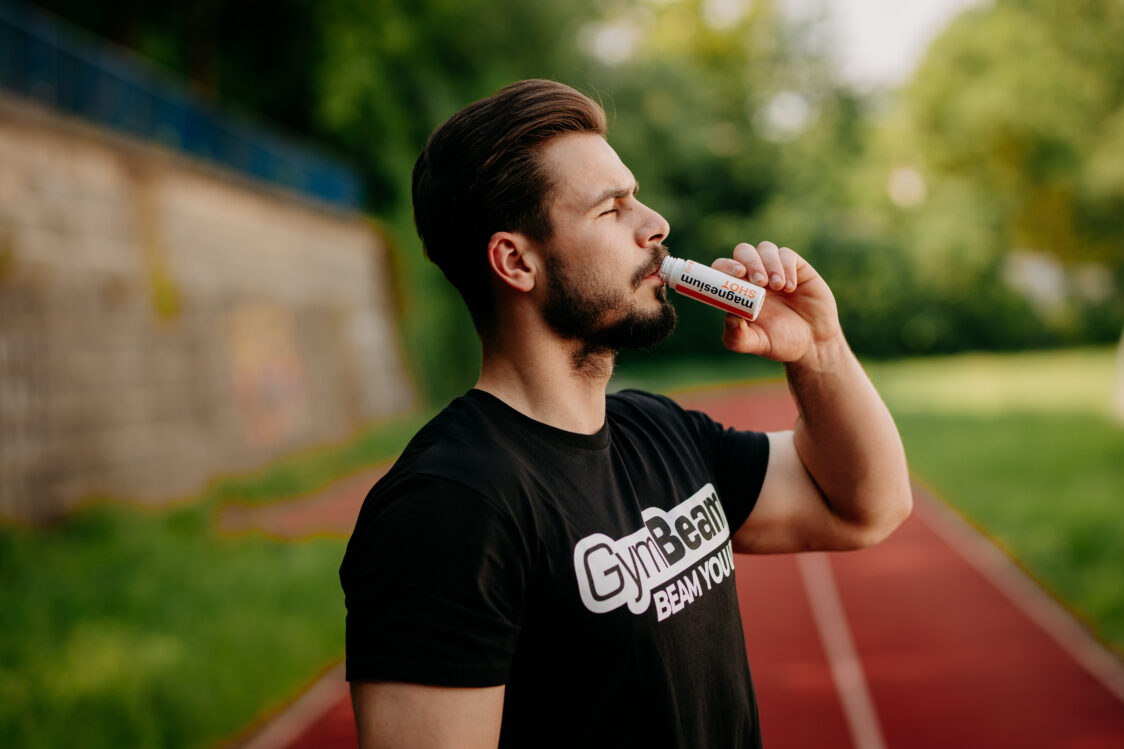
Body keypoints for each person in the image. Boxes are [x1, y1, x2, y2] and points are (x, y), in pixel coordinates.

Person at [340, 79, 912, 748]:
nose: (655, 224)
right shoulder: (449, 505)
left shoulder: (662, 431)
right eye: (612, 209)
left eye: (635, 196)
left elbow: (865, 507)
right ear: (516, 261)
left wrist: (819, 347)